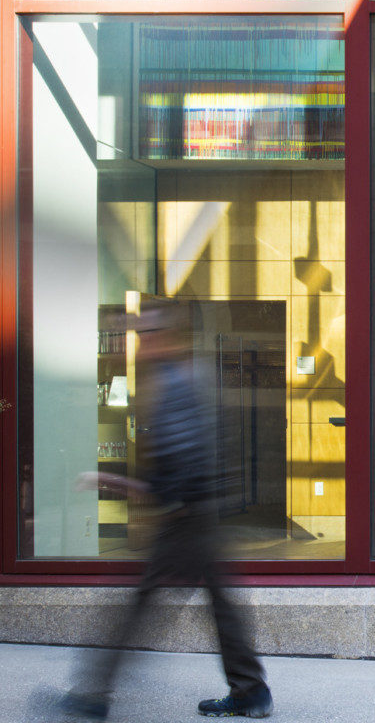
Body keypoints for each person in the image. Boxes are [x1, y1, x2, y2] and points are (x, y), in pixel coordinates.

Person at [57, 302, 272, 720]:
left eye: (146, 335)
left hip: (184, 515)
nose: (140, 344)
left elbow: (185, 450)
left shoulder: (173, 382)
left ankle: (93, 694)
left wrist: (163, 502)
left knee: (138, 604)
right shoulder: (185, 377)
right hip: (196, 511)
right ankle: (250, 690)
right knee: (219, 604)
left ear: (167, 338)